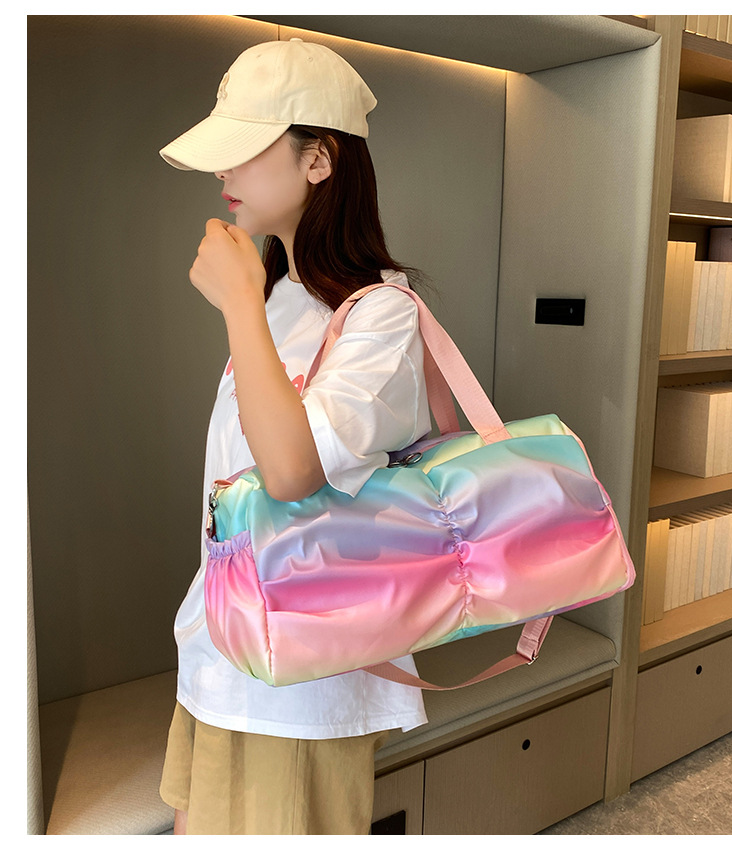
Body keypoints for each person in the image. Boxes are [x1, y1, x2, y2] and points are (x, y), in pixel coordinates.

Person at [157, 38, 432, 835]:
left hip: (302, 679)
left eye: (246, 146)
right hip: (221, 643)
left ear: (319, 160)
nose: (224, 170)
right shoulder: (281, 297)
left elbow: (289, 473)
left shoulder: (382, 313)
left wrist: (240, 303)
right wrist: (253, 300)